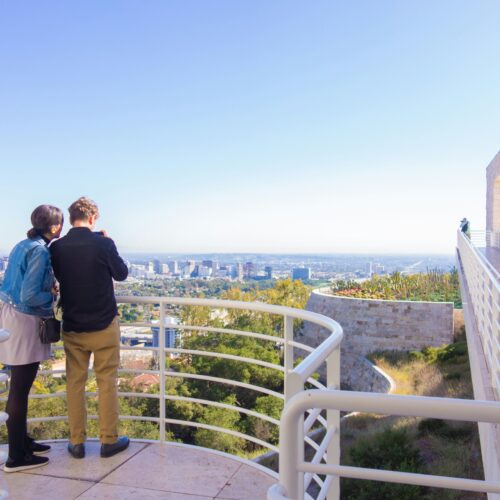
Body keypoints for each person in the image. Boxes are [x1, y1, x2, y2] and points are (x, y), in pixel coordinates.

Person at [50, 197, 129, 459]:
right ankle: (108, 441)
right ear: (93, 218)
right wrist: (106, 241)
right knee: (106, 382)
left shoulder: (57, 247)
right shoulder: (103, 243)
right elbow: (121, 274)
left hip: (73, 325)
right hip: (104, 323)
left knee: (75, 383)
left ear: (71, 219)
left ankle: (76, 442)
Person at [0, 205, 64, 472]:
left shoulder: (22, 244)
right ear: (53, 227)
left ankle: (21, 442)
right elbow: (29, 295)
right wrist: (53, 297)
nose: (62, 228)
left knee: (19, 384)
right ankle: (16, 455)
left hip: (9, 315)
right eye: (60, 224)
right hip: (23, 319)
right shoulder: (39, 250)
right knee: (20, 387)